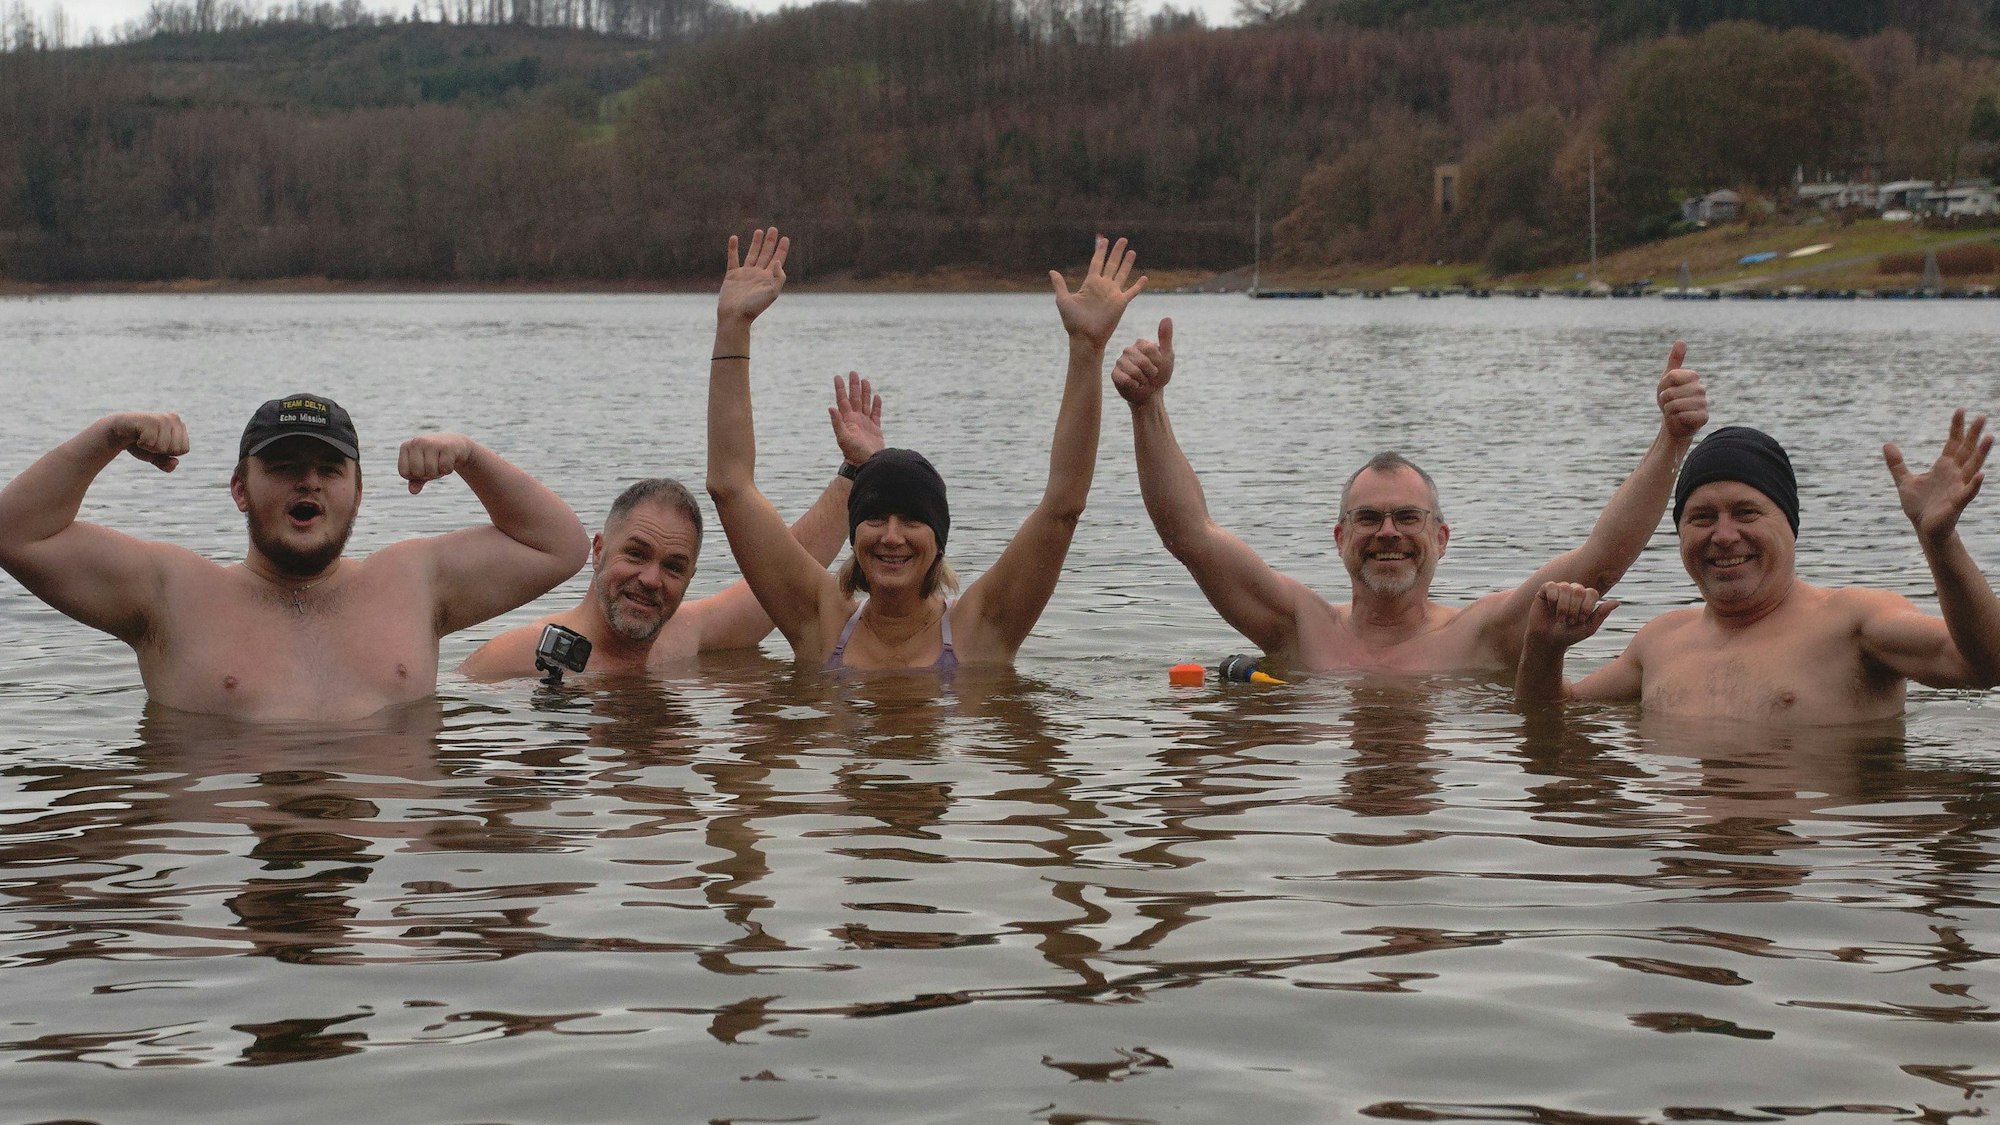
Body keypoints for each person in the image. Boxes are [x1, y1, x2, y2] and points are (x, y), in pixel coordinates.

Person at [1111, 325, 1709, 675]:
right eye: (1368, 518)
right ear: (1340, 537)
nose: (1388, 532)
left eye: (1408, 517)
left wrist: (1672, 440)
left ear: (1441, 538)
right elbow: (1188, 534)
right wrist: (1148, 405)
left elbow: (1602, 558)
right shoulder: (1298, 628)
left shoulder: (1484, 636)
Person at [705, 227, 1145, 671]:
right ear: (854, 532)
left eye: (912, 520)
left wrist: (1086, 349)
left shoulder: (984, 627)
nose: (891, 537)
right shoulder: (818, 623)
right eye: (875, 518)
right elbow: (730, 488)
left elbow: (1063, 505)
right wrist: (733, 327)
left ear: (939, 539)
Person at [0, 395, 588, 721]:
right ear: (240, 489)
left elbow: (560, 546)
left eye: (329, 470)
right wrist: (106, 435)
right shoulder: (169, 594)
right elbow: (16, 534)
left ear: (357, 493)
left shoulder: (415, 582)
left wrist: (470, 457)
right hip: (215, 874)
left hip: (381, 881)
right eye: (283, 468)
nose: (308, 484)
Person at [1517, 414, 2000, 723]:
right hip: (1688, 875)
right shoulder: (1659, 640)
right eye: (1701, 518)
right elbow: (1547, 720)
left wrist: (1939, 541)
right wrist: (1543, 646)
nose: (1724, 536)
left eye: (1746, 513)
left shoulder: (1853, 621)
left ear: (1790, 526)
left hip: (1814, 867)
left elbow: (1985, 665)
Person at [458, 373, 889, 679]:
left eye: (673, 567)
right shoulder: (514, 658)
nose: (650, 579)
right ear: (598, 550)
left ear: (690, 578)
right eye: (637, 553)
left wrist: (856, 471)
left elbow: (787, 568)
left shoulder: (687, 635)